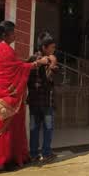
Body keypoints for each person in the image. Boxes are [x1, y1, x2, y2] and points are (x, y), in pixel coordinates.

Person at [0, 21, 49, 174]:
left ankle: (11, 159)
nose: (15, 35)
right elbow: (16, 69)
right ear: (5, 34)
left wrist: (27, 62)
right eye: (13, 32)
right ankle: (1, 162)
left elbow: (14, 66)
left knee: (10, 129)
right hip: (8, 97)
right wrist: (37, 63)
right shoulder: (4, 49)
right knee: (6, 130)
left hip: (3, 95)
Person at [27, 32, 59, 163]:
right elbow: (49, 77)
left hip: (33, 102)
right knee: (48, 128)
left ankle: (34, 153)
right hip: (45, 102)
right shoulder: (46, 61)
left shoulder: (31, 59)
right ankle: (46, 152)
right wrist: (53, 62)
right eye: (52, 47)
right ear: (44, 47)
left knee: (34, 128)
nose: (53, 50)